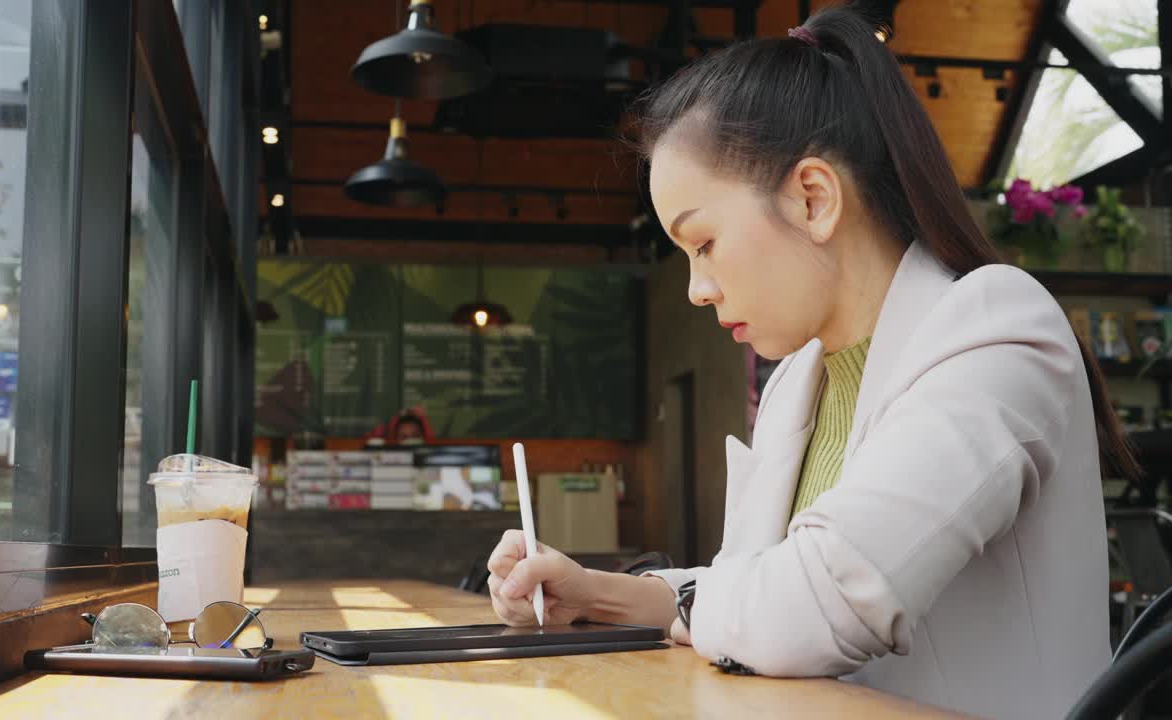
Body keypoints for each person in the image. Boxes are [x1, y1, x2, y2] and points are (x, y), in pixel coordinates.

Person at [484, 6, 1138, 719]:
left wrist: (672, 602)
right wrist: (593, 596)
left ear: (813, 198)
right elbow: (755, 587)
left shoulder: (997, 326)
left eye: (702, 244)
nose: (698, 290)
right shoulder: (801, 377)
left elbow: (820, 602)